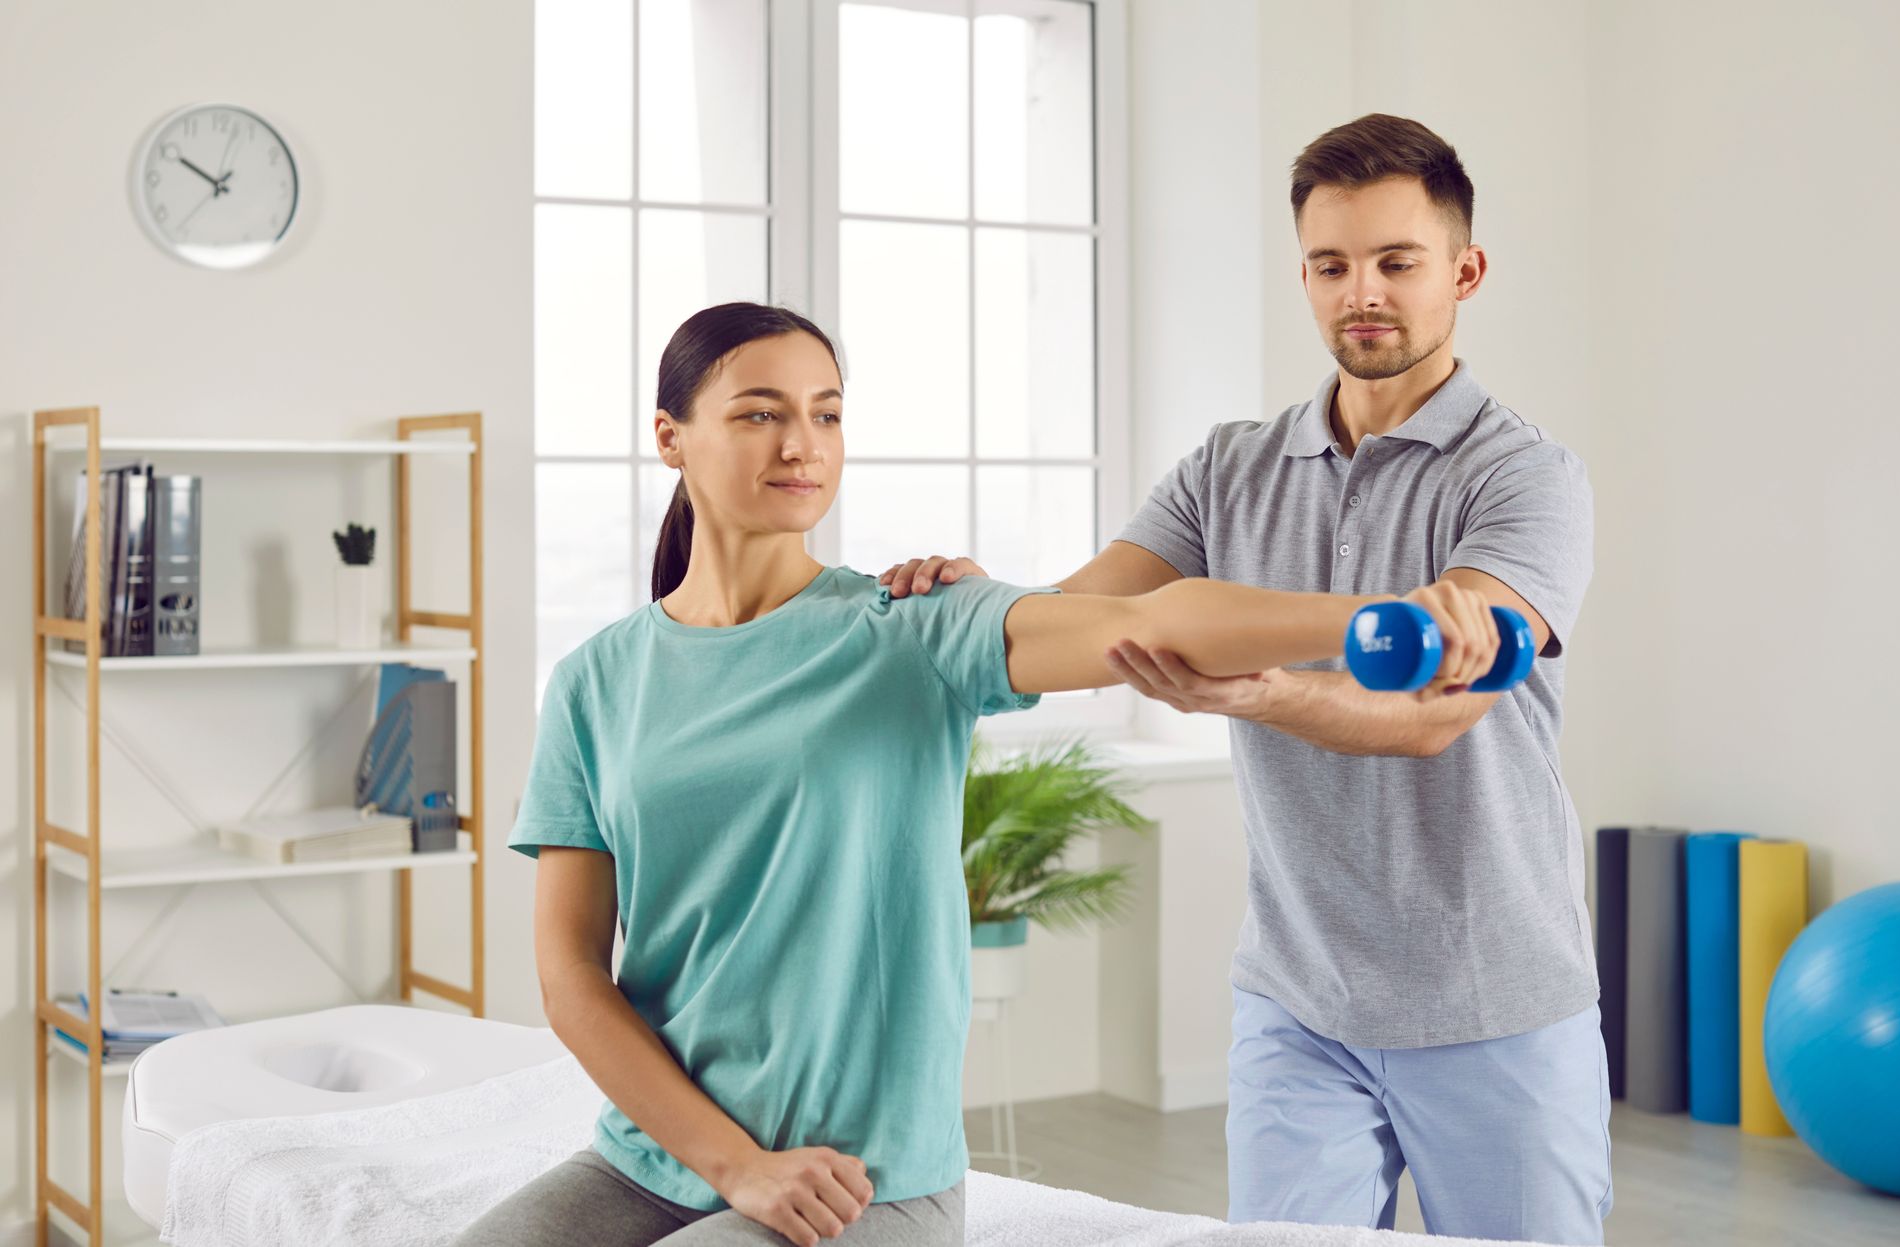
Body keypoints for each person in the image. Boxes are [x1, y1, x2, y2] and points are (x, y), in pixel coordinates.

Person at [455, 301, 1506, 1247]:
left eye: (827, 413)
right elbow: (574, 978)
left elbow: (1146, 618)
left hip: (860, 1182)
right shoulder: (597, 680)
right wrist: (732, 1162)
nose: (802, 444)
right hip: (654, 1161)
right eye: (760, 412)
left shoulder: (907, 628)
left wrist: (1380, 620)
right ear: (669, 436)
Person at [882, 114, 1607, 1245]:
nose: (1360, 292)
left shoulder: (1528, 477)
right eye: (1330, 265)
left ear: (1464, 271)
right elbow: (1085, 614)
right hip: (1298, 1002)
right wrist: (990, 603)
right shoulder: (1229, 468)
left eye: (1395, 262)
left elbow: (1432, 718)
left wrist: (1266, 695)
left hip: (1493, 1002)